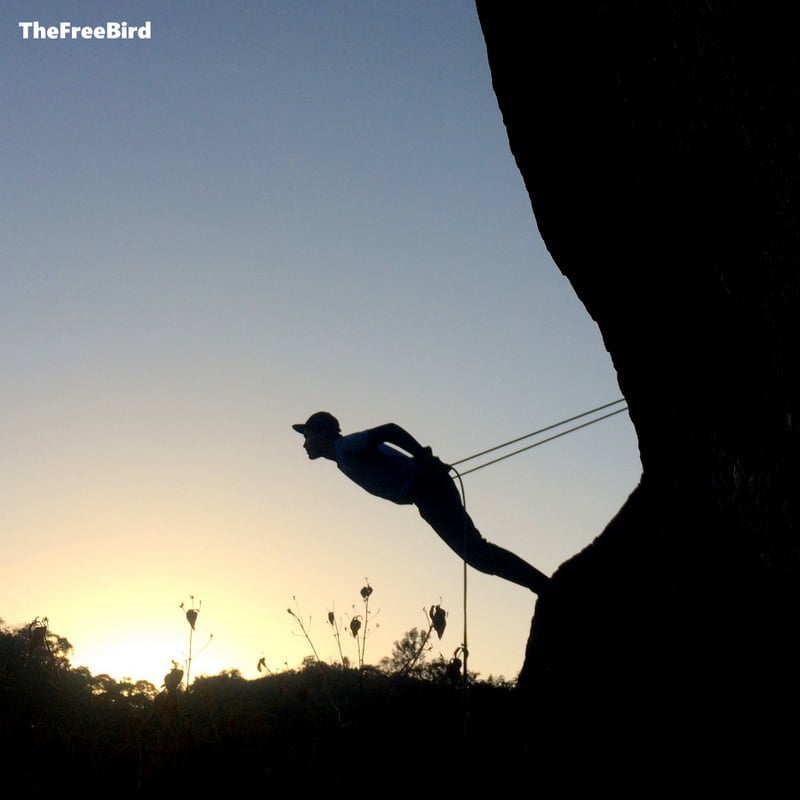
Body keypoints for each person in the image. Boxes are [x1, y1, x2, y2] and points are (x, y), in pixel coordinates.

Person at [292, 411, 549, 594]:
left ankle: (544, 587)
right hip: (425, 493)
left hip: (428, 488)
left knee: (478, 553)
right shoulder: (343, 458)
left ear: (321, 433)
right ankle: (543, 586)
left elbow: (390, 429)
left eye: (307, 435)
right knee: (478, 554)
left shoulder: (346, 447)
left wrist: (424, 457)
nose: (304, 443)